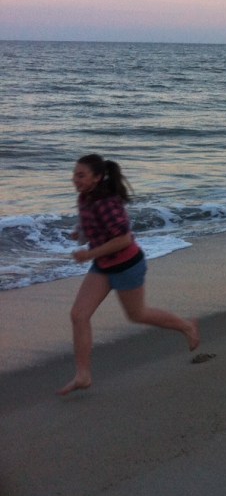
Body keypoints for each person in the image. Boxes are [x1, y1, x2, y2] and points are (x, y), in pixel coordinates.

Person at [57, 154, 199, 396]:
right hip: (103, 266)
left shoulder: (108, 202)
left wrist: (89, 255)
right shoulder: (85, 197)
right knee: (79, 315)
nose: (75, 180)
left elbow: (123, 239)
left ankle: (186, 326)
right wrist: (78, 232)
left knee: (138, 315)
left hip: (127, 265)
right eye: (74, 174)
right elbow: (89, 225)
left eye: (81, 175)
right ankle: (83, 375)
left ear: (97, 177)